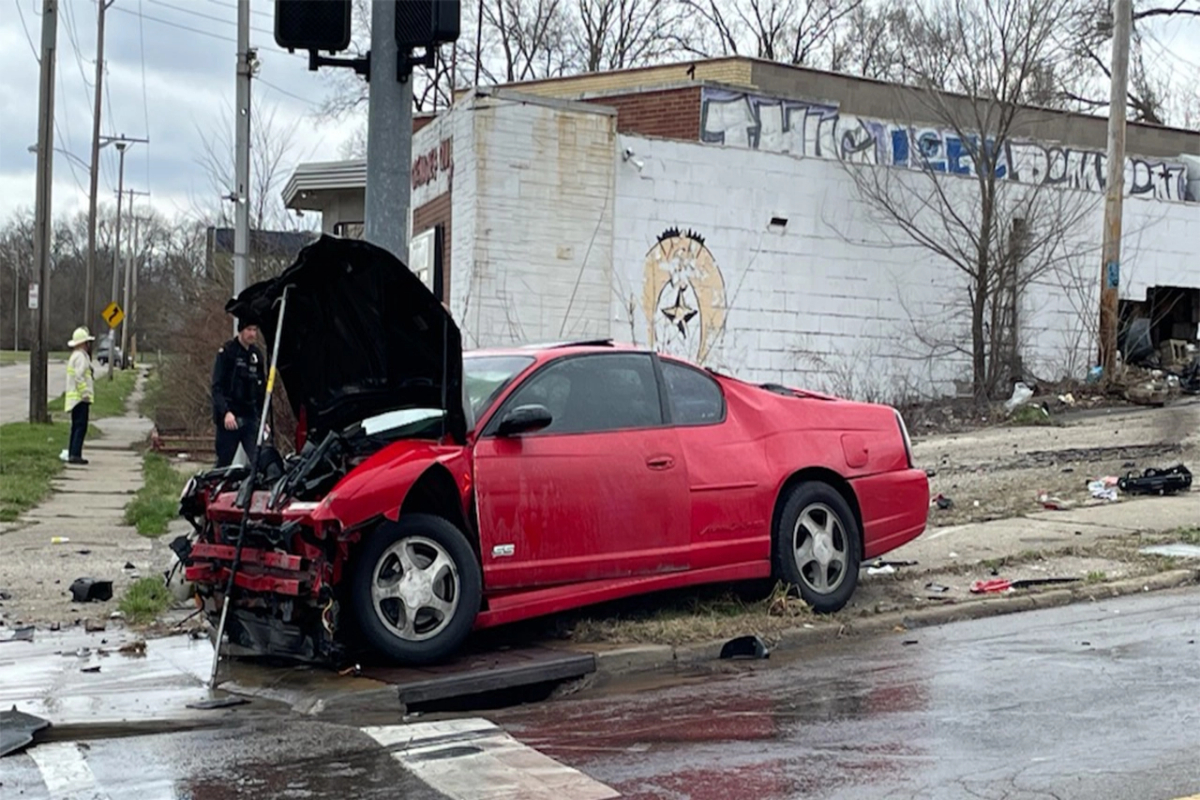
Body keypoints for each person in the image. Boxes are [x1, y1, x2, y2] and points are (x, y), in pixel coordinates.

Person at [211, 319, 266, 468]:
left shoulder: (256, 356)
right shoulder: (227, 352)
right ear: (241, 330)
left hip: (250, 418)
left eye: (255, 330)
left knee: (259, 461)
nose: (252, 334)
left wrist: (263, 418)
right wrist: (226, 412)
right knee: (223, 463)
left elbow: (261, 391)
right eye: (249, 330)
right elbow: (217, 388)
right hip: (230, 420)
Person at [65, 326, 96, 465]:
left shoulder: (74, 356)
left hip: (74, 399)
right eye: (87, 342)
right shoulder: (81, 357)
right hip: (80, 399)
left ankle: (72, 452)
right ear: (83, 343)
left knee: (75, 426)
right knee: (80, 427)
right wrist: (85, 394)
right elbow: (79, 377)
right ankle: (75, 454)